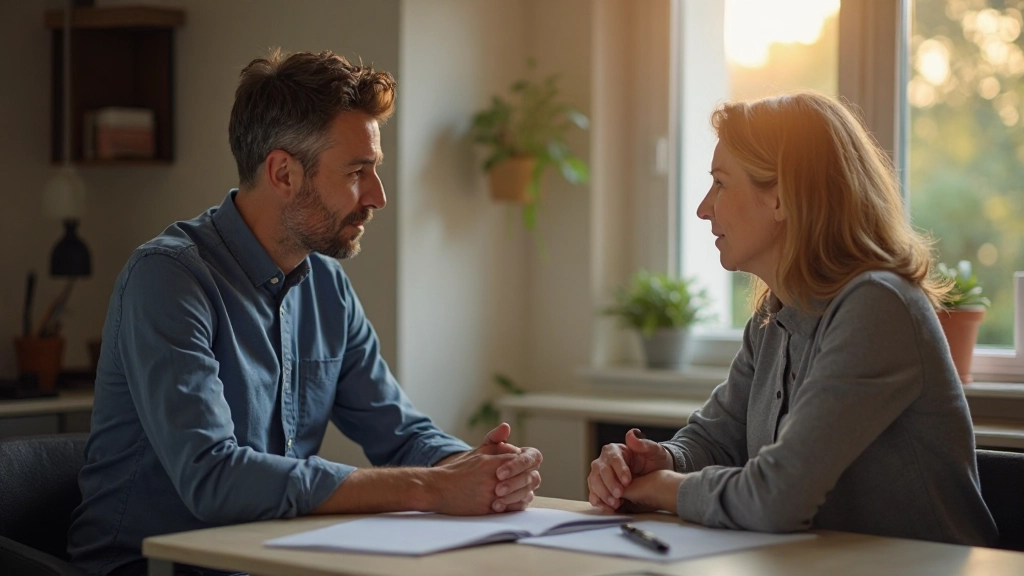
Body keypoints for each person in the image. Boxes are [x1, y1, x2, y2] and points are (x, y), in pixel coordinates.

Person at [68, 49, 543, 576]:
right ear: (283, 173)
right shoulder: (168, 278)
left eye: (376, 170)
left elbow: (401, 433)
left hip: (271, 562)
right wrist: (432, 487)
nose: (379, 197)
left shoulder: (327, 289)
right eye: (358, 171)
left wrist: (479, 469)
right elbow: (213, 478)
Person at [587, 91, 997, 546]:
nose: (704, 208)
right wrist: (661, 461)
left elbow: (775, 498)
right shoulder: (776, 313)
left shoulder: (878, 306)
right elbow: (718, 439)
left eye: (721, 183)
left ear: (780, 198)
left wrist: (662, 490)